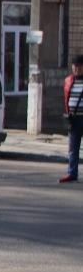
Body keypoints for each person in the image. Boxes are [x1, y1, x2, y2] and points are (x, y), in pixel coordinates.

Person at [61, 54, 83, 183]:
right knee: (72, 148)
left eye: (79, 67)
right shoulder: (69, 80)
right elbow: (66, 97)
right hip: (73, 119)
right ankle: (72, 173)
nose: (76, 69)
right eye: (74, 67)